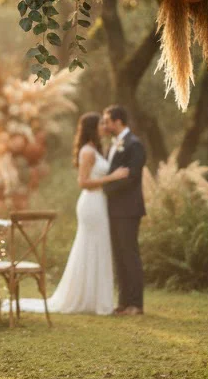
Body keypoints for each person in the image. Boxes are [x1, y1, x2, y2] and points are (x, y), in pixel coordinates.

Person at [12, 111, 129, 316]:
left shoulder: (96, 149)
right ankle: (86, 299)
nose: (105, 127)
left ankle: (95, 299)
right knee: (90, 246)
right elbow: (83, 182)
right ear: (93, 128)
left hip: (99, 202)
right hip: (91, 203)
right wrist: (113, 177)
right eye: (101, 123)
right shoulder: (87, 152)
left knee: (98, 247)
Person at [101, 105, 147, 315]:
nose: (105, 124)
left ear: (118, 121)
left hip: (128, 209)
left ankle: (136, 304)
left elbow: (132, 176)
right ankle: (123, 302)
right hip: (113, 209)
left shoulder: (134, 144)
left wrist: (105, 187)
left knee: (130, 255)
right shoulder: (113, 144)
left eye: (107, 120)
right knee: (119, 256)